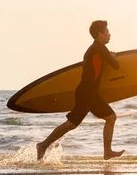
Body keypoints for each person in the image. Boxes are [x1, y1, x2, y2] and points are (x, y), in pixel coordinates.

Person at [36, 20, 125, 161]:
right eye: (107, 31)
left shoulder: (95, 49)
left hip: (88, 92)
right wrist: (112, 57)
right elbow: (116, 66)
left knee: (99, 119)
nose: (109, 34)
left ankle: (43, 145)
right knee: (82, 122)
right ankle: (42, 145)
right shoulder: (99, 48)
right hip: (88, 93)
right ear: (99, 34)